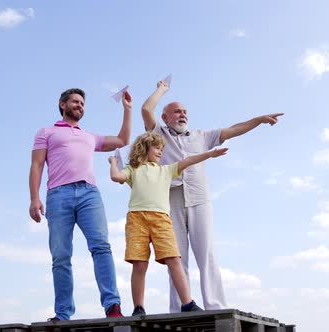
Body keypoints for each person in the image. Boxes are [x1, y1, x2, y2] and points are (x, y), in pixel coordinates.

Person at [141, 80, 284, 312]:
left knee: (206, 254)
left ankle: (215, 305)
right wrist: (162, 90)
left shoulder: (201, 136)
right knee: (175, 257)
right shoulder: (158, 134)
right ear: (165, 117)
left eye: (185, 111)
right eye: (177, 111)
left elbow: (233, 129)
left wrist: (258, 120)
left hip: (199, 199)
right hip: (171, 198)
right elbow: (146, 109)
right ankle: (179, 309)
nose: (182, 114)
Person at [29, 88, 132, 321]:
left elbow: (123, 140)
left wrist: (127, 110)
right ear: (62, 104)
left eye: (83, 103)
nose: (80, 105)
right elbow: (37, 165)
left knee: (101, 247)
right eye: (75, 101)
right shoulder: (46, 132)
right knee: (61, 256)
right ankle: (63, 313)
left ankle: (113, 306)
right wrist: (34, 198)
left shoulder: (89, 137)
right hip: (58, 195)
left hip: (89, 195)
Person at [108, 132, 228, 316]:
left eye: (162, 149)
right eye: (157, 148)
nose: (160, 152)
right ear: (144, 148)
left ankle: (187, 303)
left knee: (174, 259)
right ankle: (138, 307)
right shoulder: (133, 170)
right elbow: (116, 177)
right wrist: (113, 163)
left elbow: (188, 160)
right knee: (139, 264)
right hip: (136, 219)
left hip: (161, 219)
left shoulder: (167, 170)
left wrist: (209, 154)